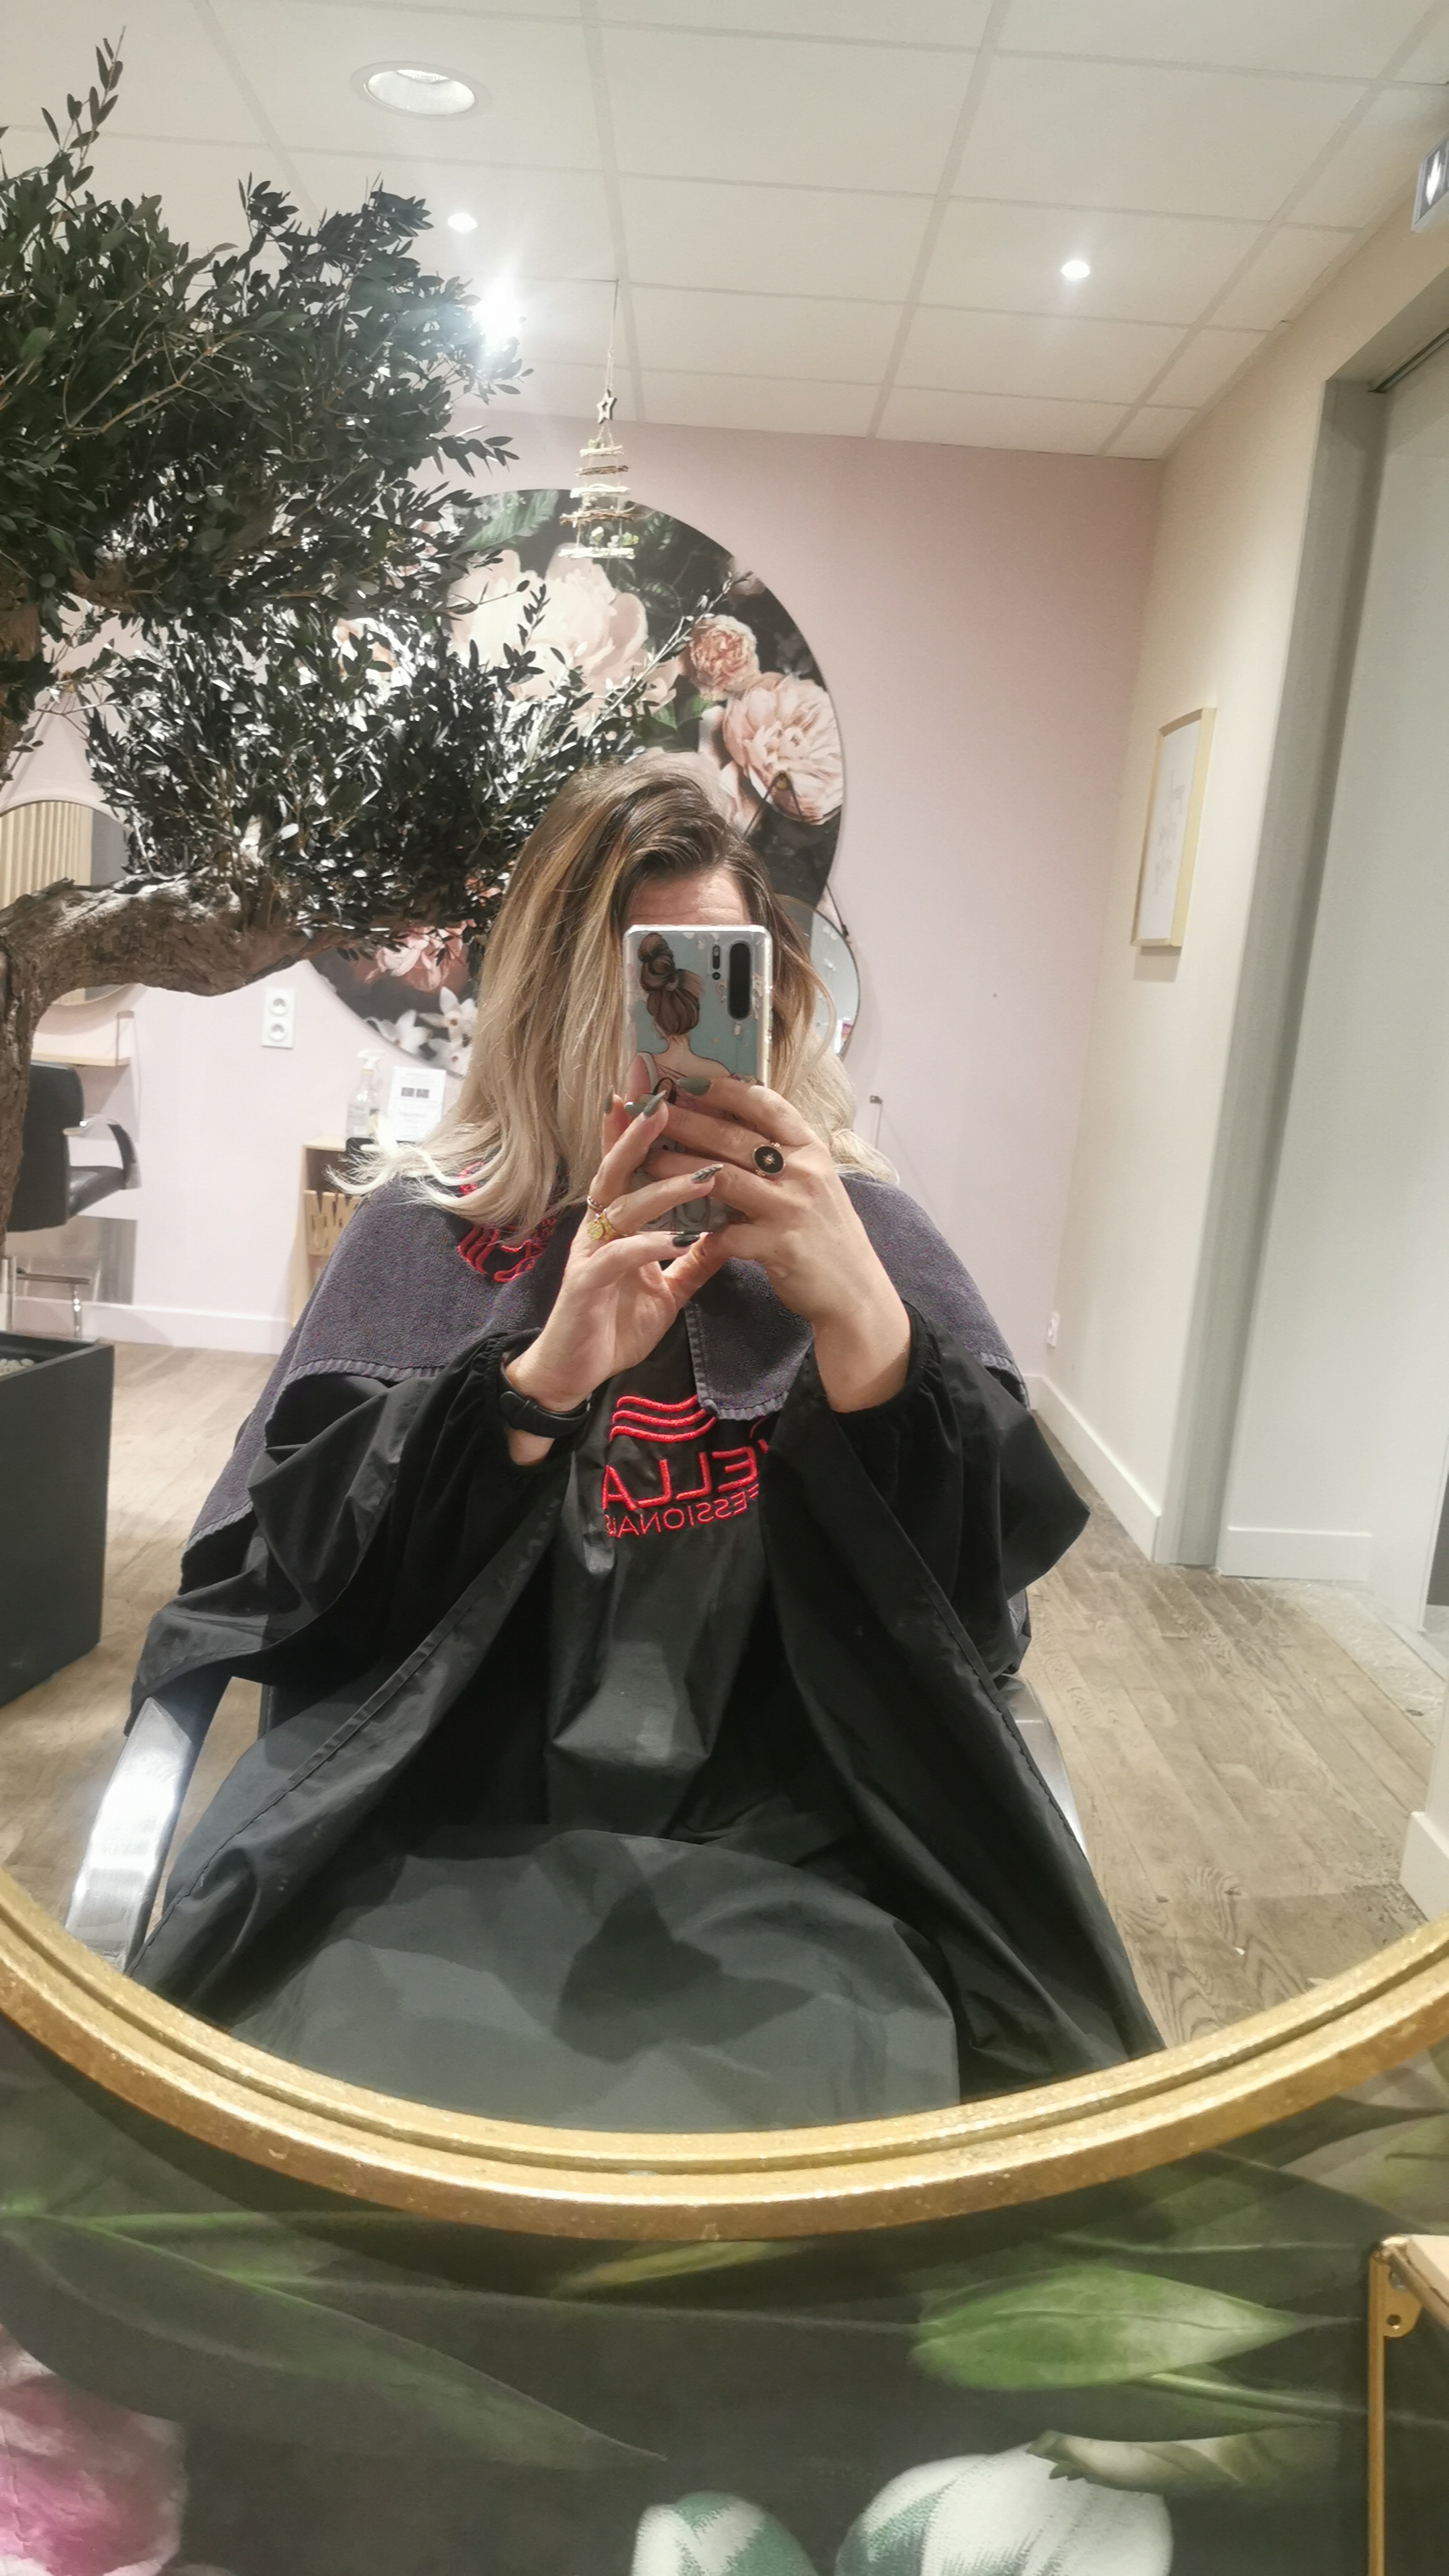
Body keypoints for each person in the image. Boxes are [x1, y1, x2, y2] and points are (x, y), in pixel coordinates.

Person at [127, 755, 1158, 2131]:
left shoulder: (871, 1244)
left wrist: (872, 1342)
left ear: (771, 1001)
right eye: (644, 986)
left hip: (810, 1860)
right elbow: (299, 1602)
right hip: (428, 1844)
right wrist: (532, 1389)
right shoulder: (419, 1248)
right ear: (552, 1005)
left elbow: (971, 1622)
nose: (679, 1035)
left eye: (719, 982)